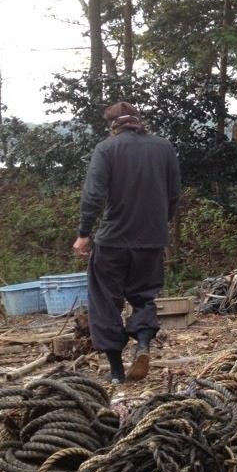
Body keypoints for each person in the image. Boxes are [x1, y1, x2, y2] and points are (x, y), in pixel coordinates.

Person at [73, 102, 181, 384]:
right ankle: (143, 345)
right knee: (145, 296)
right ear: (139, 120)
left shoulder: (106, 149)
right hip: (151, 239)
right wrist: (160, 225)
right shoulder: (164, 147)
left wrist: (84, 233)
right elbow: (173, 194)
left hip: (113, 241)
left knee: (105, 300)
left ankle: (117, 371)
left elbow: (94, 194)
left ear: (112, 125)